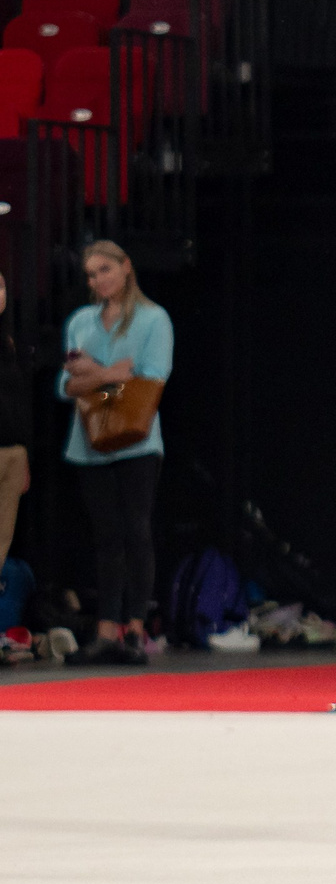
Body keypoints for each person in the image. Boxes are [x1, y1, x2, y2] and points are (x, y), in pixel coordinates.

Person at [60, 240, 173, 665]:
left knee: (136, 530)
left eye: (104, 270)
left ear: (126, 267)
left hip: (138, 440)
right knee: (106, 535)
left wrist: (94, 374)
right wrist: (111, 373)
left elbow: (151, 379)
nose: (97, 280)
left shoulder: (153, 318)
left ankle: (135, 628)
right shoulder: (81, 321)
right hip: (88, 442)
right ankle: (107, 629)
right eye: (91, 274)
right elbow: (66, 385)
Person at [0, 273, 30, 574]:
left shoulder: (9, 342)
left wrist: (24, 457)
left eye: (1, 287)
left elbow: (19, 402)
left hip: (12, 451)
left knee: (2, 539)